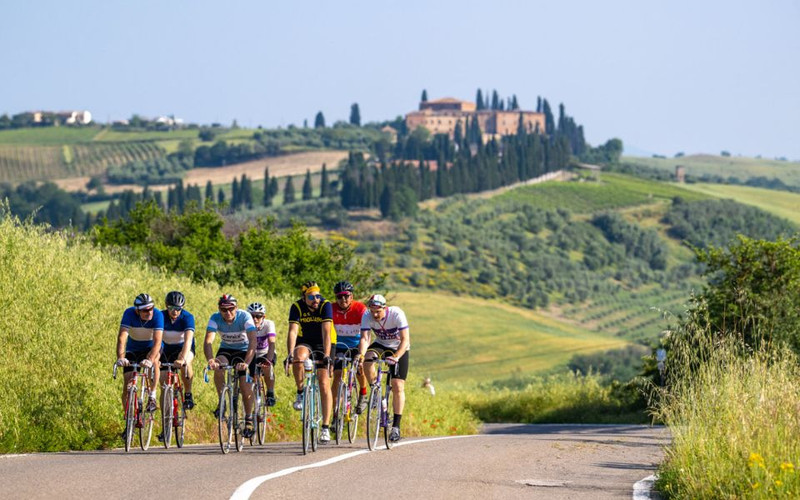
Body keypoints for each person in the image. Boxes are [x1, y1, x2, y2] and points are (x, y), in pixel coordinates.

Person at [286, 281, 336, 444]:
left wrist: (327, 355)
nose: (316, 299)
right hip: (306, 340)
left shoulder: (325, 305)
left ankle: (326, 427)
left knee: (323, 383)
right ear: (304, 297)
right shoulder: (297, 307)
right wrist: (289, 354)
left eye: (318, 296)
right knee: (298, 358)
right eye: (311, 297)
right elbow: (293, 331)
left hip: (324, 342)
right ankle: (300, 392)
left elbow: (327, 332)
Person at [204, 294, 257, 438]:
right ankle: (222, 401)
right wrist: (210, 360)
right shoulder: (215, 318)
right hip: (226, 350)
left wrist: (246, 363)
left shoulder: (244, 317)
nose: (228, 313)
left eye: (231, 309)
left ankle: (248, 419)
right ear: (219, 310)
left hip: (245, 351)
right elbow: (208, 341)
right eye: (223, 310)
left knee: (246, 388)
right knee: (219, 366)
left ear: (236, 308)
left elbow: (253, 340)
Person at [359, 294, 410, 443]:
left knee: (397, 386)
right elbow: (365, 338)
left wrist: (396, 356)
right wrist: (361, 356)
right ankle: (375, 390)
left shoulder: (396, 314)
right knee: (367, 360)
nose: (375, 315)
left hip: (400, 347)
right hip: (381, 344)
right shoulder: (367, 315)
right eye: (372, 311)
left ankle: (396, 427)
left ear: (384, 308)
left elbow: (405, 339)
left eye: (378, 311)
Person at [116, 293, 163, 426]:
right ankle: (129, 421)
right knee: (127, 385)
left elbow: (158, 341)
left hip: (151, 348)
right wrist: (120, 357)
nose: (149, 312)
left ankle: (152, 395)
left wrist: (150, 358)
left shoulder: (158, 315)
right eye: (145, 310)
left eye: (151, 308)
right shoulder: (129, 313)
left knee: (154, 362)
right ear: (137, 310)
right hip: (133, 349)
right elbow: (122, 338)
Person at [331, 281, 369, 415]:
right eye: (339, 297)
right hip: (339, 345)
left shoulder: (360, 309)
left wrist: (361, 353)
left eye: (346, 296)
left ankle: (363, 394)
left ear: (351, 296)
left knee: (359, 367)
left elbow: (366, 334)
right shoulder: (331, 308)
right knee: (337, 376)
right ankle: (335, 413)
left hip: (357, 344)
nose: (343, 300)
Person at [160, 291, 196, 410]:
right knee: (164, 384)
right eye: (171, 308)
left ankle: (188, 394)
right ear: (166, 306)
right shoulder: (160, 316)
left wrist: (182, 359)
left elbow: (188, 341)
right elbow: (156, 339)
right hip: (166, 349)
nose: (174, 311)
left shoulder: (187, 317)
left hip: (184, 348)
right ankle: (166, 423)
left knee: (185, 363)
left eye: (178, 308)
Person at [247, 302, 277, 407]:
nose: (255, 319)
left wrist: (268, 361)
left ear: (263, 316)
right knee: (251, 374)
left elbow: (271, 343)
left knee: (268, 368)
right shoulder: (245, 325)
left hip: (266, 352)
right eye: (252, 316)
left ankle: (270, 393)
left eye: (258, 316)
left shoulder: (269, 324)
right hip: (251, 353)